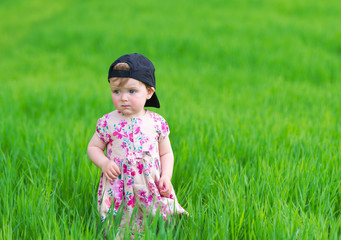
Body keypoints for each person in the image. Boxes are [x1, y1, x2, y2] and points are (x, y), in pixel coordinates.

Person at [87, 53, 187, 235]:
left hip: (150, 182)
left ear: (149, 92)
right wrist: (104, 163)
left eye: (131, 91)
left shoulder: (157, 122)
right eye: (116, 91)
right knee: (118, 219)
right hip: (119, 183)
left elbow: (166, 153)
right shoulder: (108, 122)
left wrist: (166, 176)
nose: (123, 98)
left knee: (155, 216)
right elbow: (93, 147)